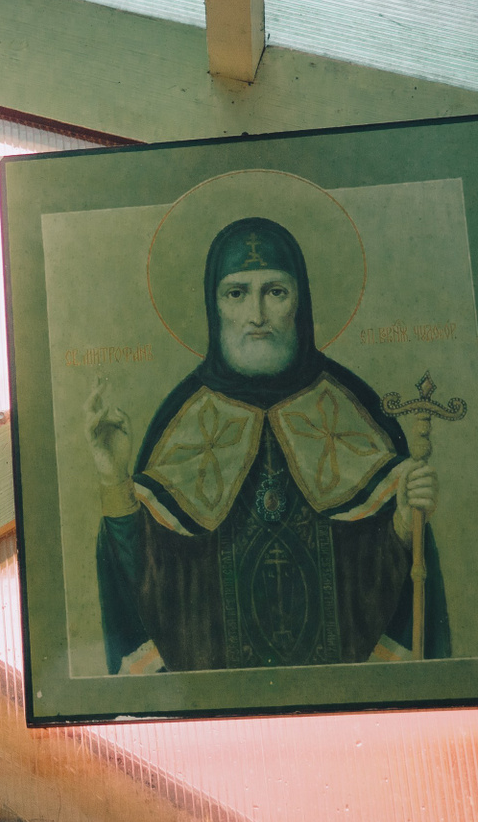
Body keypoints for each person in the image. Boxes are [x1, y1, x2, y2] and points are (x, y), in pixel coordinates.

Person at [88, 216, 446, 674]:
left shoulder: (353, 409)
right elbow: (145, 581)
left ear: (301, 301)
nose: (256, 316)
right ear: (214, 305)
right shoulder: (180, 418)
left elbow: (380, 581)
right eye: (236, 294)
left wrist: (402, 524)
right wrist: (113, 479)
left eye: (275, 292)